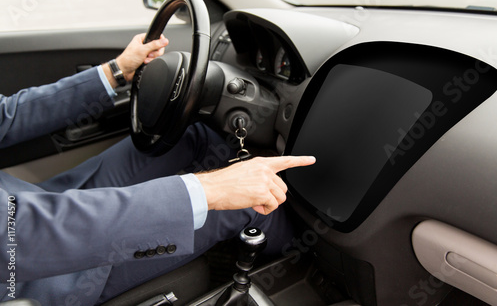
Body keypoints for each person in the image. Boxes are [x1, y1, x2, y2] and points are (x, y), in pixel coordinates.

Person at [0, 34, 315, 305]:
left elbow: (6, 116)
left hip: (32, 203)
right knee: (248, 204)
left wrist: (117, 71)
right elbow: (18, 235)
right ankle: (312, 270)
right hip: (29, 271)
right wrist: (213, 189)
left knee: (195, 138)